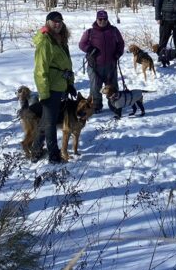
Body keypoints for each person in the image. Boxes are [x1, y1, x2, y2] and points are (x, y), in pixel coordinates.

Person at [32, 11, 75, 164]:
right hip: (51, 89)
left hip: (60, 85)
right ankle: (54, 156)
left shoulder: (61, 40)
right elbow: (39, 71)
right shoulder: (45, 42)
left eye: (60, 21)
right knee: (50, 123)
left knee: (45, 121)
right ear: (48, 23)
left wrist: (70, 84)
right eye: (54, 21)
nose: (57, 24)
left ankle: (36, 150)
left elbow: (66, 64)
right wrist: (44, 93)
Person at [79, 10, 124, 113]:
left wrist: (118, 53)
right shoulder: (90, 32)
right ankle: (96, 106)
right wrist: (89, 49)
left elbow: (121, 43)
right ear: (96, 19)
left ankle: (114, 104)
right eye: (100, 19)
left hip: (110, 64)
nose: (102, 21)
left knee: (112, 86)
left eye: (105, 19)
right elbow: (81, 44)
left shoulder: (113, 30)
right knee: (95, 86)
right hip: (94, 65)